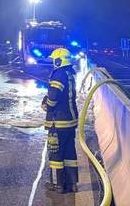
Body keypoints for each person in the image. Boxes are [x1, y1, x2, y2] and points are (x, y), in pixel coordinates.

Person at [42, 47, 79, 194]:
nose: (53, 62)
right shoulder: (70, 74)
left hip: (58, 121)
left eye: (54, 60)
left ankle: (58, 185)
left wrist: (45, 104)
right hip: (70, 121)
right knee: (70, 152)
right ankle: (72, 184)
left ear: (59, 61)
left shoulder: (58, 75)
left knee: (55, 153)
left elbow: (53, 98)